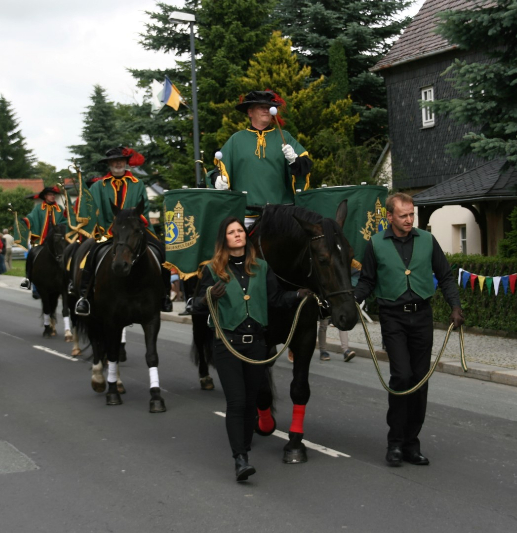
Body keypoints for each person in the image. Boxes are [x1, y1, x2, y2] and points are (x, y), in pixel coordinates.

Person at [194, 216, 311, 481]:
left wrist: (298, 295)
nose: (238, 234)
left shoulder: (262, 267)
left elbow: (275, 299)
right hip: (227, 344)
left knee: (249, 402)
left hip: (257, 345)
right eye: (231, 232)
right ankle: (240, 459)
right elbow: (196, 305)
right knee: (236, 401)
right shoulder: (212, 270)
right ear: (224, 239)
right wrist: (208, 297)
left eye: (240, 230)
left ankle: (244, 447)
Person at [354, 192, 464, 467]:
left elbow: (445, 275)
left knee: (419, 381)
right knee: (401, 377)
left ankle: (411, 444)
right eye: (403, 215)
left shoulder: (427, 240)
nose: (409, 219)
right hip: (393, 318)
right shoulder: (376, 244)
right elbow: (367, 281)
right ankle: (394, 443)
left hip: (422, 317)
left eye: (411, 214)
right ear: (389, 216)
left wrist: (455, 306)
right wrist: (352, 300)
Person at [74, 146, 173, 316]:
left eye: (121, 160)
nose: (118, 164)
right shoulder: (98, 186)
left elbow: (144, 208)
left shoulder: (137, 184)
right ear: (109, 164)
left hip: (134, 230)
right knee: (91, 254)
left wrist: (136, 223)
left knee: (161, 251)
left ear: (126, 162)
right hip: (108, 230)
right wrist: (101, 228)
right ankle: (84, 297)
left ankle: (165, 295)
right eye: (114, 161)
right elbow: (93, 209)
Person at [207, 90, 312, 228]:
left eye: (269, 107)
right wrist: (218, 180)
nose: (266, 110)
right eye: (261, 107)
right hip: (246, 215)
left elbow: (305, 166)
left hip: (280, 213)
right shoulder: (236, 140)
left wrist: (295, 160)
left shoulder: (284, 137)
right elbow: (219, 170)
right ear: (250, 112)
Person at [19, 186, 67, 289]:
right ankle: (28, 279)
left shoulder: (59, 209)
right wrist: (25, 220)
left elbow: (65, 220)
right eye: (50, 195)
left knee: (67, 255)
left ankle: (69, 280)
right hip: (42, 239)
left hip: (57, 240)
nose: (52, 196)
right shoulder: (38, 208)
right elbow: (31, 218)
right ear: (45, 196)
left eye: (54, 195)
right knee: (32, 253)